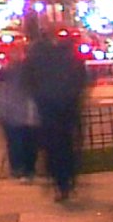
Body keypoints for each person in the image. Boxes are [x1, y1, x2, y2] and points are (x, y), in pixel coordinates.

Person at [25, 27, 89, 203]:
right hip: (67, 107)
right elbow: (81, 78)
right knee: (67, 144)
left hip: (48, 109)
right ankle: (67, 179)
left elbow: (30, 80)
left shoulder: (38, 57)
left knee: (53, 146)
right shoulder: (70, 56)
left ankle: (59, 180)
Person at [0, 49, 38, 180]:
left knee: (15, 141)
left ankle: (18, 168)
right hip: (22, 113)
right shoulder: (29, 72)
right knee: (26, 141)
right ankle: (27, 169)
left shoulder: (5, 72)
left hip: (11, 113)